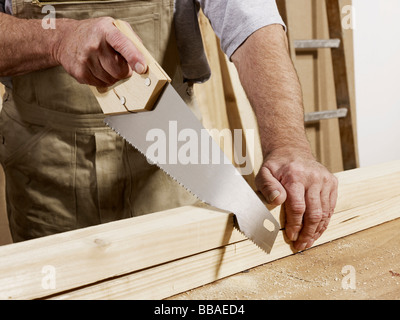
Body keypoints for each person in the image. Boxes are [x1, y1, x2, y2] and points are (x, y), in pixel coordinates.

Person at [0, 0, 338, 252]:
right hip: (43, 164)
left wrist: (287, 144)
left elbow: (251, 23)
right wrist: (57, 39)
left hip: (167, 150)